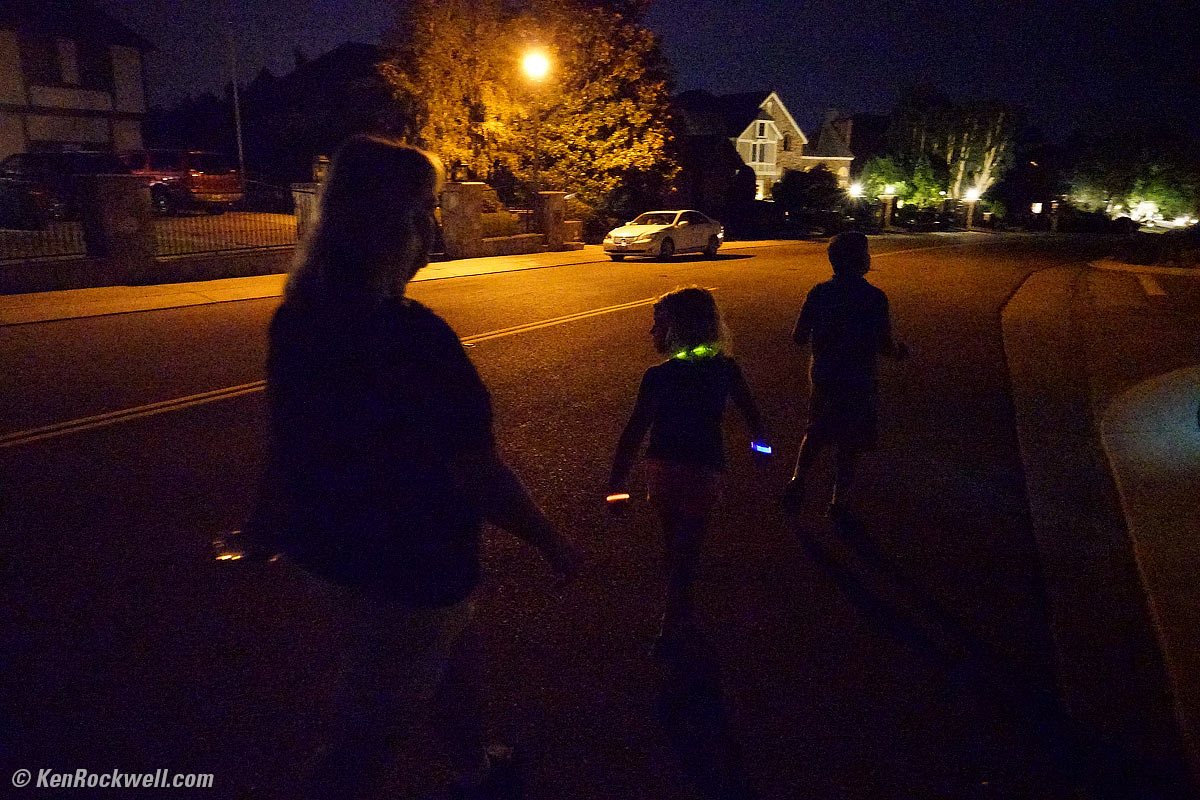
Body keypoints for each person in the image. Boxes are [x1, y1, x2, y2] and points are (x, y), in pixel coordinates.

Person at [263, 135, 582, 800]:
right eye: (425, 210)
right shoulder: (414, 339)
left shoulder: (301, 319)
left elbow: (292, 437)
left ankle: (474, 768)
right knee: (360, 743)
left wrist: (271, 519)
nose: (432, 225)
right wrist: (550, 538)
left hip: (337, 550)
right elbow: (477, 472)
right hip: (408, 566)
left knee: (455, 654)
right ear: (393, 223)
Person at [607, 287, 768, 655]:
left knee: (675, 545)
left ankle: (679, 615)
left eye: (658, 324)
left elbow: (634, 431)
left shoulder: (658, 376)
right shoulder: (724, 370)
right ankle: (675, 621)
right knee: (687, 548)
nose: (652, 333)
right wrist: (761, 448)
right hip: (703, 470)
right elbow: (751, 413)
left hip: (663, 469)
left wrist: (617, 484)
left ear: (678, 329)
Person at [783, 231, 908, 519]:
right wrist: (899, 351)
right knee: (849, 443)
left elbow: (798, 336)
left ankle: (798, 480)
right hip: (859, 380)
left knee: (815, 431)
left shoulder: (818, 293)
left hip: (824, 376)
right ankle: (838, 501)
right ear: (862, 260)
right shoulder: (875, 298)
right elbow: (885, 345)